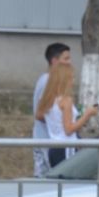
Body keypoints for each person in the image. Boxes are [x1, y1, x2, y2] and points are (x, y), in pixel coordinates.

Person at [35, 57, 99, 169]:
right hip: (67, 147)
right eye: (72, 78)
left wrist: (55, 122)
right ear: (65, 80)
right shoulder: (66, 101)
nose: (73, 81)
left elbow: (39, 116)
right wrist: (87, 115)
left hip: (53, 147)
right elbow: (69, 130)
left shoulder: (48, 99)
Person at [32, 43, 71, 177]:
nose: (69, 62)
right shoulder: (48, 81)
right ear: (54, 61)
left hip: (46, 139)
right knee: (50, 178)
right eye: (66, 59)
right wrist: (64, 121)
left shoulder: (48, 79)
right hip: (47, 139)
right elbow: (40, 114)